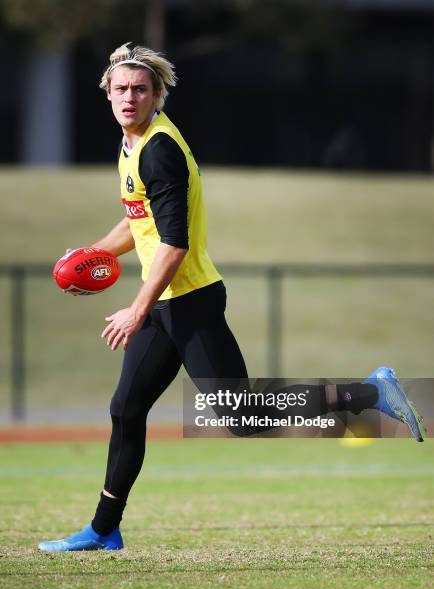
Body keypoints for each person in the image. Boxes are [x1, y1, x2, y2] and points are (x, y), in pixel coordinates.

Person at [38, 43, 426, 552]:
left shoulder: (158, 150)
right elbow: (141, 223)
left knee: (241, 418)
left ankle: (371, 393)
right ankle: (104, 528)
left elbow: (174, 244)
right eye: (120, 89)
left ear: (157, 96)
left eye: (139, 89)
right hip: (165, 302)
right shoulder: (131, 145)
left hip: (189, 301)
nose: (129, 97)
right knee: (126, 409)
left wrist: (136, 310)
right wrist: (93, 251)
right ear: (106, 94)